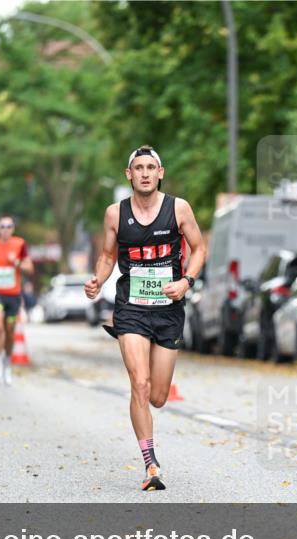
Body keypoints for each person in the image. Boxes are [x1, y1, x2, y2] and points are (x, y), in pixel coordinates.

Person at [84, 146, 206, 491]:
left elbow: (200, 248)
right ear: (129, 174)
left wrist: (186, 281)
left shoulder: (178, 208)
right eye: (138, 168)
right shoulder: (115, 213)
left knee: (158, 396)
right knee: (139, 383)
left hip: (168, 310)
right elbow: (107, 256)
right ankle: (151, 464)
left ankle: (151, 442)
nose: (145, 173)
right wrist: (98, 280)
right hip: (131, 309)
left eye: (151, 167)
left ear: (160, 172)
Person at [0, 215, 33, 385]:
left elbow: (29, 267)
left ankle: (7, 364)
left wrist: (16, 262)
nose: (5, 229)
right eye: (2, 226)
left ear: (13, 229)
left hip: (13, 295)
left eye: (9, 226)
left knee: (10, 331)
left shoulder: (19, 244)